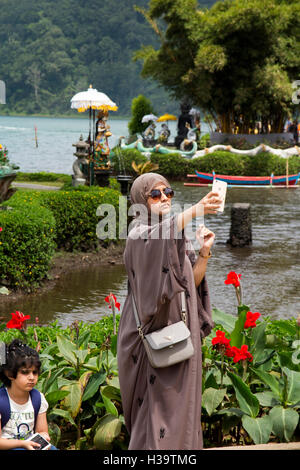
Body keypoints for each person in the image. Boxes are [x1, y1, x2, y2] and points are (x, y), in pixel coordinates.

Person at [117, 173, 222, 450]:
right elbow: (155, 238)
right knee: (153, 415)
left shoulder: (175, 236)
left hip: (180, 336)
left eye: (168, 192)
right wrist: (197, 210)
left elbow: (191, 284)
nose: (164, 197)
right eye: (155, 194)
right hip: (149, 340)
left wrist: (203, 253)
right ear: (141, 200)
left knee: (182, 412)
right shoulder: (139, 234)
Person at [0, 339, 56, 450]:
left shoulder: (38, 398)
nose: (31, 377)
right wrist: (22, 444)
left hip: (30, 446)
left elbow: (41, 431)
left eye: (35, 372)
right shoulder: (2, 400)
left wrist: (44, 436)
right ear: (10, 374)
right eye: (25, 372)